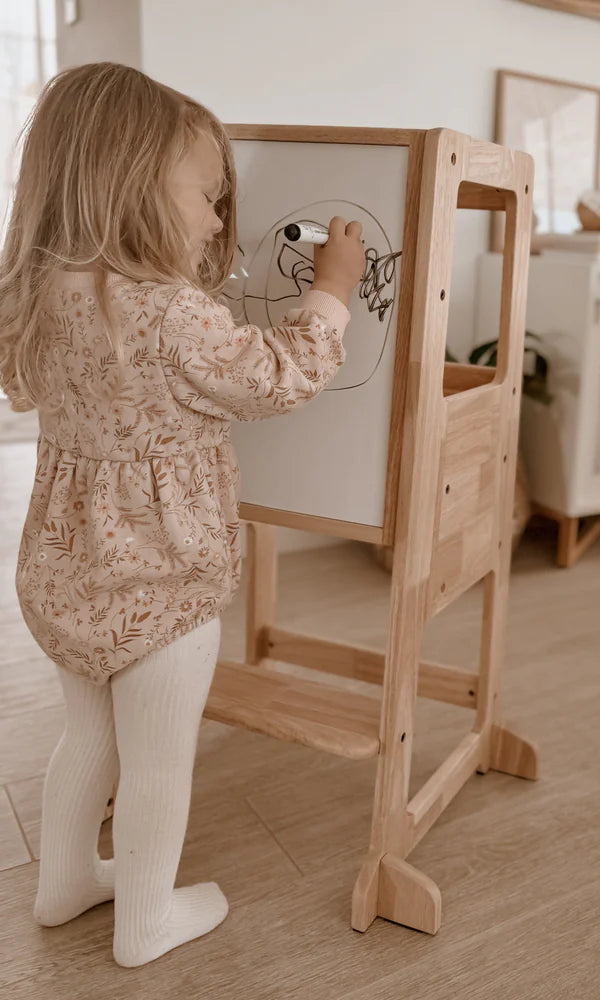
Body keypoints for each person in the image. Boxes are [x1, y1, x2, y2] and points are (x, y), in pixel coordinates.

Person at [0, 62, 365, 966]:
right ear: (130, 185)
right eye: (206, 198)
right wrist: (333, 289)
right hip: (161, 584)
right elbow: (280, 376)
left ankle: (65, 884)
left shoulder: (42, 292)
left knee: (86, 733)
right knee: (159, 760)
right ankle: (146, 923)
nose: (215, 222)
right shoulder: (172, 315)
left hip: (64, 576)